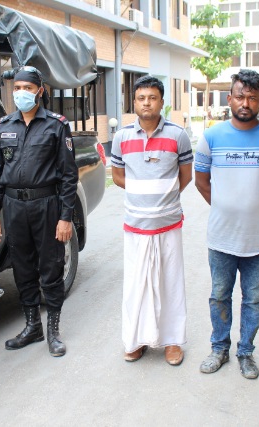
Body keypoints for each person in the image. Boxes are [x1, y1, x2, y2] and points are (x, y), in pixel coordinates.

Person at [195, 69, 259, 379]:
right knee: (219, 295)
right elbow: (201, 182)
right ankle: (219, 348)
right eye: (240, 96)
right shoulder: (211, 137)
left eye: (252, 97)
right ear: (229, 99)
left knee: (253, 299)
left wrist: (258, 204)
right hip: (221, 236)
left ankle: (246, 352)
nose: (245, 103)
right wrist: (226, 206)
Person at [0, 66, 78, 357]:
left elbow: (68, 176)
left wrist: (66, 217)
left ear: (40, 91)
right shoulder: (4, 125)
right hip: (14, 207)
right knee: (22, 267)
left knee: (51, 268)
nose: (21, 93)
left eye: (27, 88)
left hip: (46, 205)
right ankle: (32, 326)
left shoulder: (56, 125)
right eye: (17, 88)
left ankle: (53, 330)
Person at [111, 75, 193, 365]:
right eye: (141, 98)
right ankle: (136, 340)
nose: (146, 103)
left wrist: (163, 197)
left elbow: (185, 176)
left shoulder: (178, 135)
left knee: (170, 284)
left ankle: (172, 342)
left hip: (168, 223)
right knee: (137, 286)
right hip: (135, 225)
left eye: (152, 98)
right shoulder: (121, 137)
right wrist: (142, 192)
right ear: (134, 102)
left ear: (162, 102)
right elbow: (117, 176)